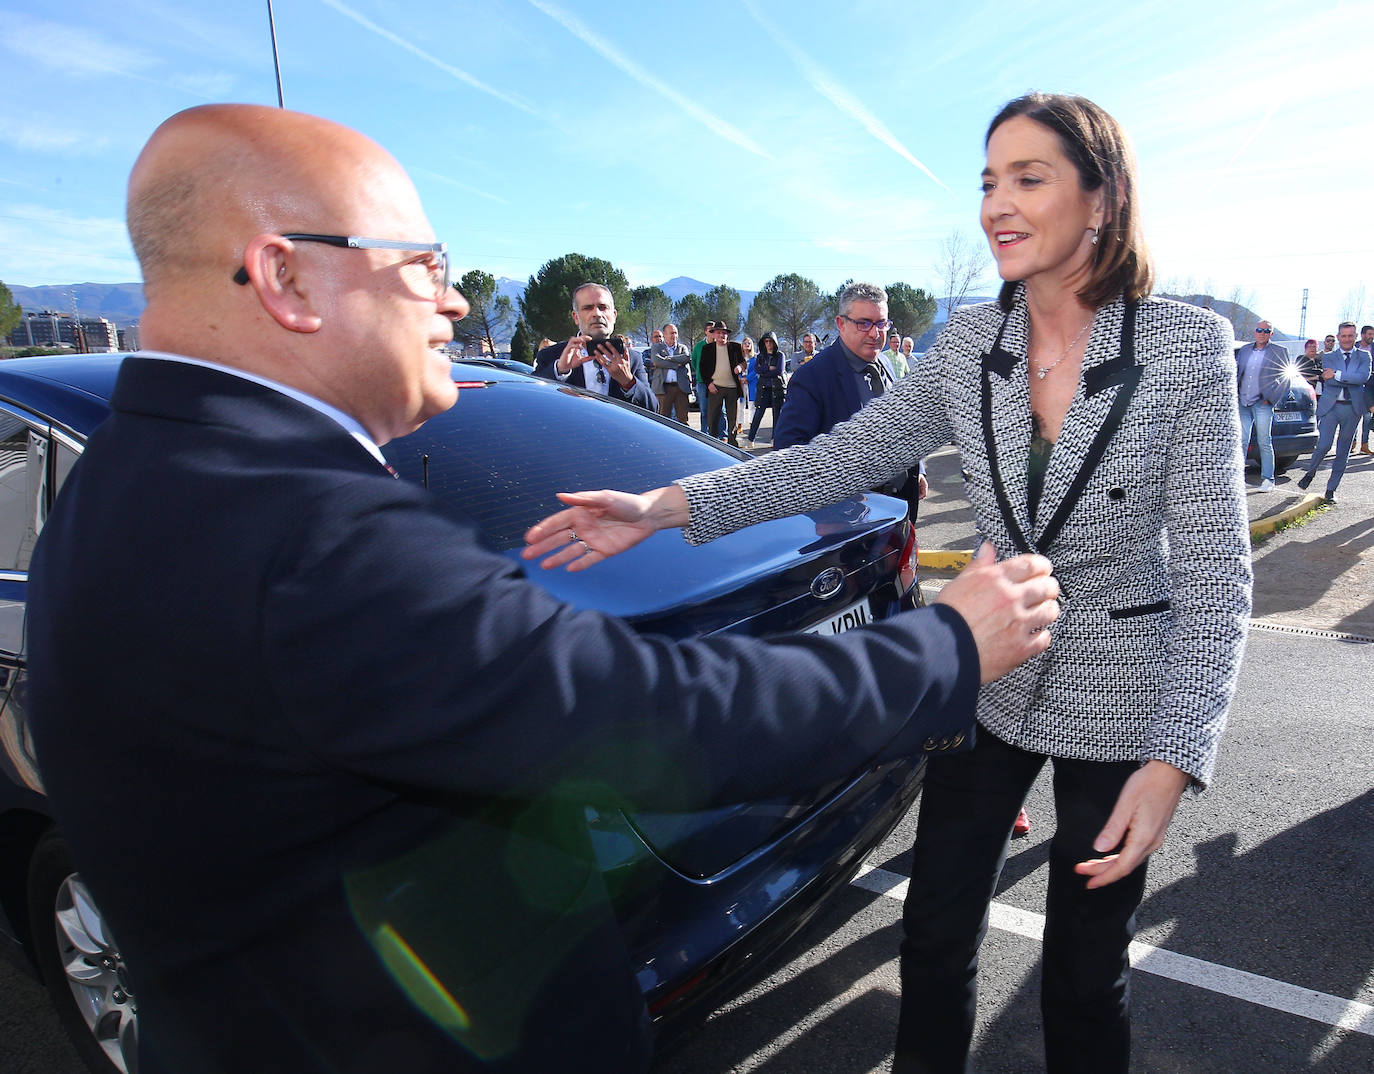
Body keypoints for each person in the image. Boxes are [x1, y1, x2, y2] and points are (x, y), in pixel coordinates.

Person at [23, 103, 1064, 1074]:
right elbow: (654, 718)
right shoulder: (301, 536)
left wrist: (667, 506)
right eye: (422, 263)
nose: (459, 296)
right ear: (285, 279)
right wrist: (953, 644)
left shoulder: (117, 481)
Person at [524, 92, 1252, 1074]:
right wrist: (665, 506)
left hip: (1123, 688)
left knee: (1086, 968)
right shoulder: (966, 347)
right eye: (990, 179)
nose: (997, 203)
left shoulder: (1182, 347)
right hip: (986, 668)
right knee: (935, 933)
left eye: (1029, 178)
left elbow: (1217, 570)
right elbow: (836, 460)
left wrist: (1172, 761)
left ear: (1102, 198)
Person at [773, 283, 927, 519]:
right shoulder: (813, 376)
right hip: (848, 522)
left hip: (897, 510)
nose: (875, 334)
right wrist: (833, 511)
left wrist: (918, 470)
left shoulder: (884, 364)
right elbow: (789, 453)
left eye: (881, 323)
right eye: (864, 323)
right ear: (841, 324)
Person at [533, 284, 656, 410]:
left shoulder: (631, 359)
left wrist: (628, 382)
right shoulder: (551, 356)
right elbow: (530, 400)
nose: (597, 314)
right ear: (576, 317)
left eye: (603, 307)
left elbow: (652, 408)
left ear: (614, 315)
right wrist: (560, 371)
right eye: (588, 308)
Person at [1296, 321, 1371, 504]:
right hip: (1331, 407)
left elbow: (1362, 377)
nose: (1347, 339)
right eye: (1343, 336)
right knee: (1323, 445)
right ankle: (1310, 472)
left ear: (1355, 337)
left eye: (1350, 336)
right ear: (1338, 337)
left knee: (1343, 451)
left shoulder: (1364, 356)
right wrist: (1347, 377)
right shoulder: (1329, 356)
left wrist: (1337, 374)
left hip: (1352, 408)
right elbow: (1332, 381)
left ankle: (1331, 489)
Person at [1234, 319, 1290, 491]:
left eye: (1266, 331)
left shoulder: (1279, 351)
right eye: (1259, 329)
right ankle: (1237, 479)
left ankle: (1268, 479)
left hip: (1263, 403)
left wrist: (1270, 399)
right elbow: (1236, 373)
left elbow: (1285, 378)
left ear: (1271, 334)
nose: (1262, 333)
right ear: (1254, 331)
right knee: (1241, 441)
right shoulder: (1244, 350)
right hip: (1242, 402)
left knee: (1264, 441)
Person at [700, 320, 748, 448]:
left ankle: (733, 443)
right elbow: (702, 368)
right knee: (712, 417)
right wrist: (709, 384)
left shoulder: (736, 347)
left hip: (732, 388)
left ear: (727, 334)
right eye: (719, 333)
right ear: (714, 334)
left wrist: (740, 367)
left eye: (724, 333)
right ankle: (713, 443)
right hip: (715, 387)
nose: (722, 335)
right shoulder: (707, 349)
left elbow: (744, 363)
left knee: (732, 418)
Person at [747, 331, 787, 446]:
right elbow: (757, 370)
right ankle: (750, 439)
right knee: (758, 413)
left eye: (770, 341)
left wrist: (764, 371)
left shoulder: (780, 355)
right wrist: (769, 368)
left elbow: (779, 371)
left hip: (777, 388)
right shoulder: (760, 356)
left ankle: (775, 439)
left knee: (777, 414)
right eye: (766, 341)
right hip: (763, 389)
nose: (768, 344)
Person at [649, 321, 692, 422]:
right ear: (664, 334)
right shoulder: (657, 347)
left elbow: (685, 358)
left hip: (680, 388)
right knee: (663, 418)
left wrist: (667, 359)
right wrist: (676, 364)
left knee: (683, 418)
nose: (674, 335)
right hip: (663, 388)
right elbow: (657, 361)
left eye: (676, 333)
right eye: (671, 333)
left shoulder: (683, 348)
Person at [1360, 325, 1374, 454]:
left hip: (1370, 387)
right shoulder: (1354, 347)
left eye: (1372, 334)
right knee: (1353, 416)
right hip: (1354, 386)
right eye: (1369, 334)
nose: (1371, 336)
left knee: (1367, 416)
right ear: (1362, 334)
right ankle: (1351, 442)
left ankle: (1364, 444)